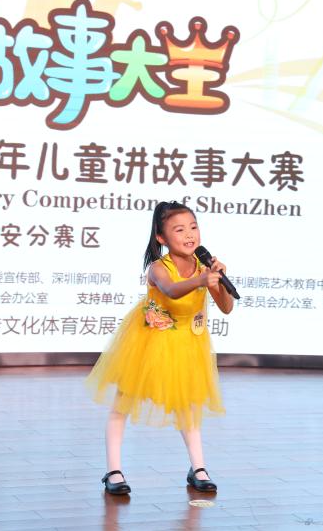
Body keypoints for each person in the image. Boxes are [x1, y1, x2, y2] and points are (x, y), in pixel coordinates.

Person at [84, 200, 234, 495]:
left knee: (189, 404)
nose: (189, 234)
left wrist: (219, 282)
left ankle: (198, 468)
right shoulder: (158, 268)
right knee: (123, 403)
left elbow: (227, 307)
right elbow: (171, 290)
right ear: (161, 238)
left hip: (189, 344)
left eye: (193, 227)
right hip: (150, 341)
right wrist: (201, 279)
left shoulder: (204, 267)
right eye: (179, 229)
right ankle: (113, 470)